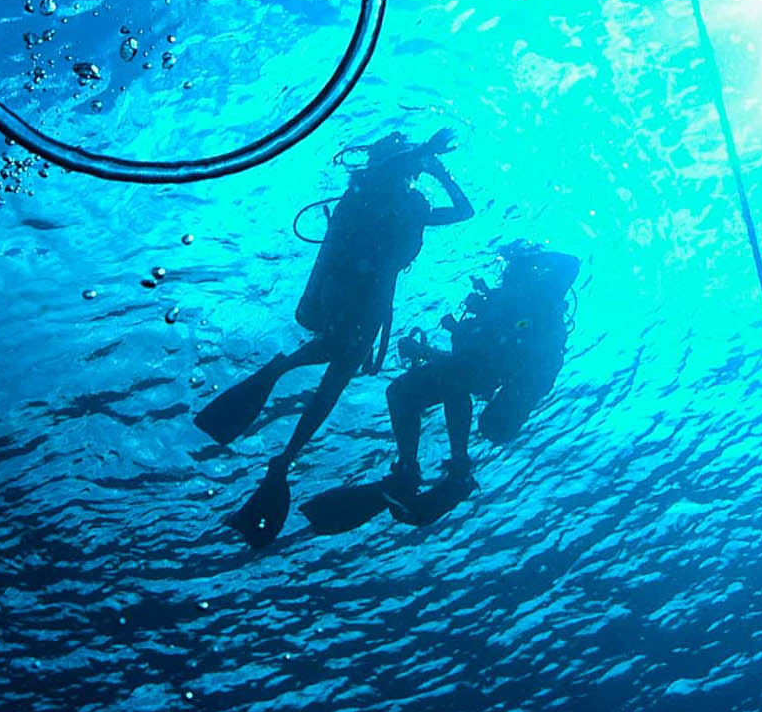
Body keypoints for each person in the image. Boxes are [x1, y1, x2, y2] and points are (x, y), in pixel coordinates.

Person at [194, 129, 473, 547]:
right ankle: (280, 380)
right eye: (409, 161)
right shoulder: (369, 186)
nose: (414, 168)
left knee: (336, 381)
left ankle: (283, 458)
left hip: (372, 299)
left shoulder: (412, 204)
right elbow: (385, 171)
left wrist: (441, 171)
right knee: (335, 357)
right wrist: (424, 151)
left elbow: (463, 212)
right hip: (346, 288)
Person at [301, 245, 581, 534]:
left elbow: (572, 262)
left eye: (511, 270)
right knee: (400, 393)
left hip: (519, 374)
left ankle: (458, 469)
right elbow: (468, 361)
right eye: (508, 271)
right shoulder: (503, 303)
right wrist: (427, 349)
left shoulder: (543, 294)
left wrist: (527, 260)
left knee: (483, 415)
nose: (505, 277)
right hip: (488, 371)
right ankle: (408, 471)